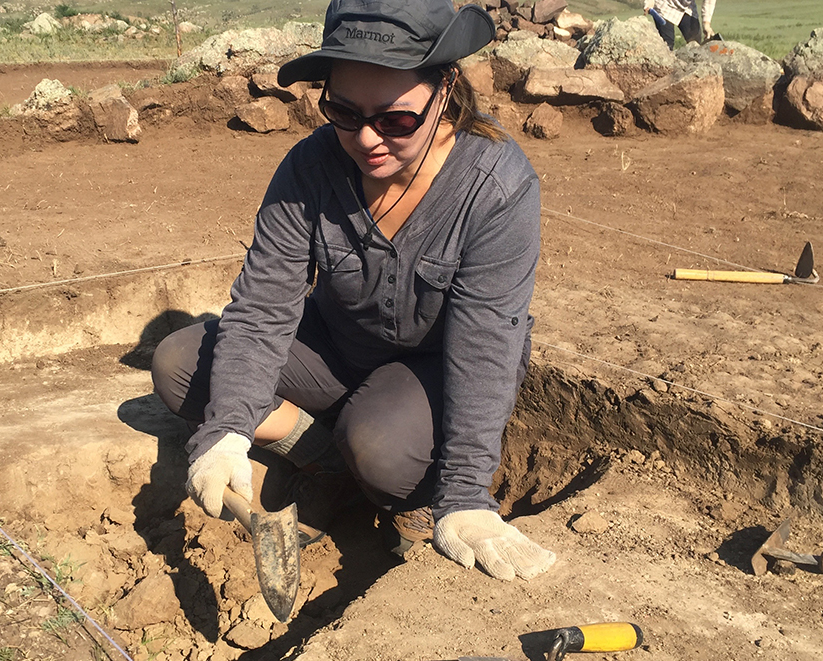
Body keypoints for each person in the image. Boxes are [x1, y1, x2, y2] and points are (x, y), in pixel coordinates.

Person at [150, 0, 555, 581]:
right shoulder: (310, 169)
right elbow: (264, 307)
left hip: (433, 368)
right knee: (180, 364)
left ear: (445, 88)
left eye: (394, 120)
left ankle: (407, 500)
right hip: (338, 348)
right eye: (342, 111)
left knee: (380, 448)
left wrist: (467, 495)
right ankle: (329, 467)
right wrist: (227, 431)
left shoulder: (497, 187)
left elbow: (486, 344)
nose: (366, 139)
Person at [644, 0, 717, 49]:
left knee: (695, 42)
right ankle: (666, 69)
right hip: (664, 4)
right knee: (667, 43)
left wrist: (706, 24)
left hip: (687, 6)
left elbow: (709, 1)